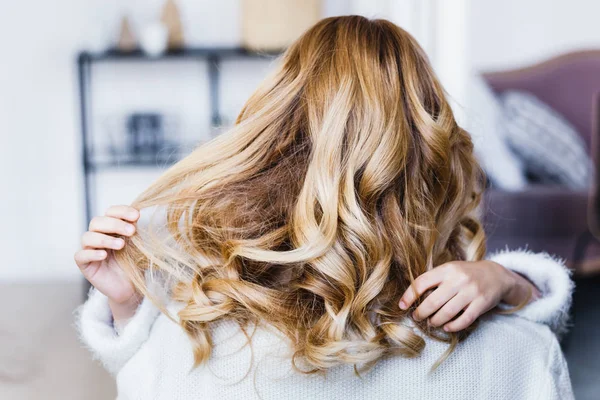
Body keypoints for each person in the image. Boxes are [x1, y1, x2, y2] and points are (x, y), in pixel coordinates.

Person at [75, 16, 574, 399]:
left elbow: (151, 383)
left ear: (268, 147)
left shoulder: (188, 348)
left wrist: (131, 310)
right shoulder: (521, 356)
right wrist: (513, 286)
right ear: (434, 159)